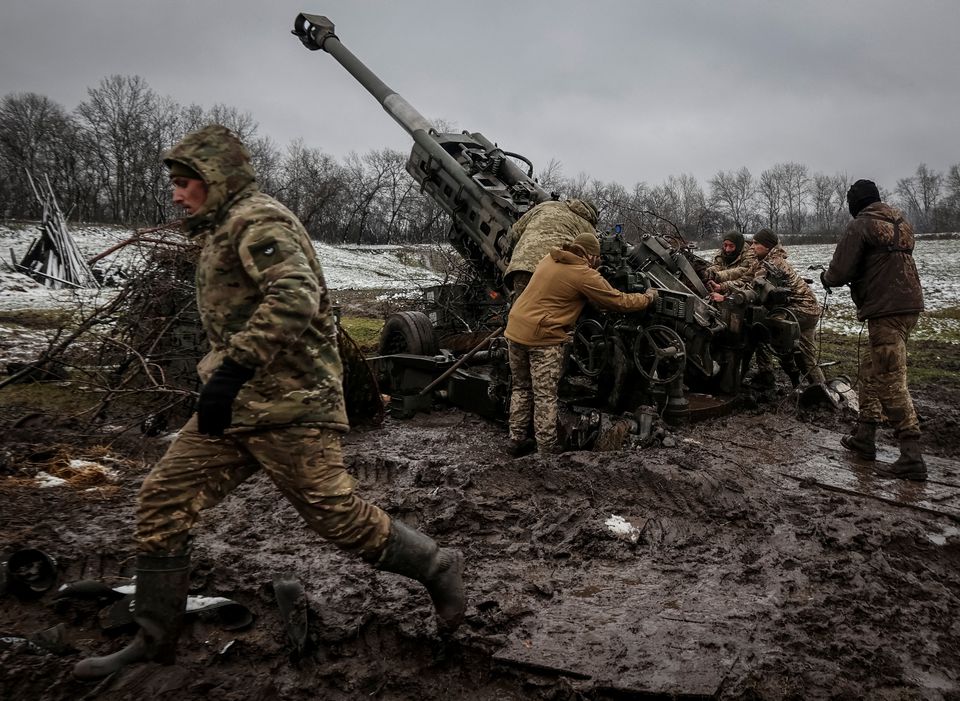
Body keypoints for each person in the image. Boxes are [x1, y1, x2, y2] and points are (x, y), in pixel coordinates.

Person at [73, 125, 465, 680]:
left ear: (216, 180)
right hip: (235, 407)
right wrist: (225, 384)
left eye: (186, 183)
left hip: (291, 405)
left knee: (338, 519)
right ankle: (154, 640)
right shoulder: (218, 229)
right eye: (176, 183)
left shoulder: (258, 221)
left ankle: (436, 565)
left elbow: (295, 294)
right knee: (162, 500)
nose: (177, 193)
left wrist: (232, 369)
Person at [504, 232, 658, 455]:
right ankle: (546, 449)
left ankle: (516, 440)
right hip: (542, 337)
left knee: (521, 387)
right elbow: (619, 301)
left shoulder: (550, 259)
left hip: (515, 330)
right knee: (545, 396)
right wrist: (648, 297)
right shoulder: (583, 274)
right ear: (590, 255)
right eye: (596, 257)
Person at [822, 179, 926, 481]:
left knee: (890, 379)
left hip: (886, 309)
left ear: (855, 203)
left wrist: (826, 278)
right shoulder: (901, 220)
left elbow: (840, 271)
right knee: (871, 370)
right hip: (909, 305)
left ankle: (911, 454)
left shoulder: (861, 225)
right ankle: (864, 437)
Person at [504, 198, 599, 298]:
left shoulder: (548, 205)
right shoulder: (589, 228)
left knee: (521, 307)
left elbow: (515, 231)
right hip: (553, 274)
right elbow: (591, 257)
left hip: (523, 265)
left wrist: (511, 254)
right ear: (593, 216)